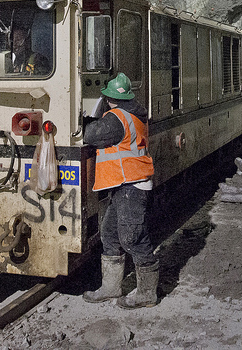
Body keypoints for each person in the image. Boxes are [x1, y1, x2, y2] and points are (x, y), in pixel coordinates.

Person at [82, 72, 158, 308]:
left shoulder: (117, 118)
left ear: (110, 98)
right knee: (111, 236)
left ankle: (147, 294)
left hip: (132, 185)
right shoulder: (132, 115)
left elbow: (91, 134)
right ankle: (111, 288)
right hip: (124, 184)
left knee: (132, 238)